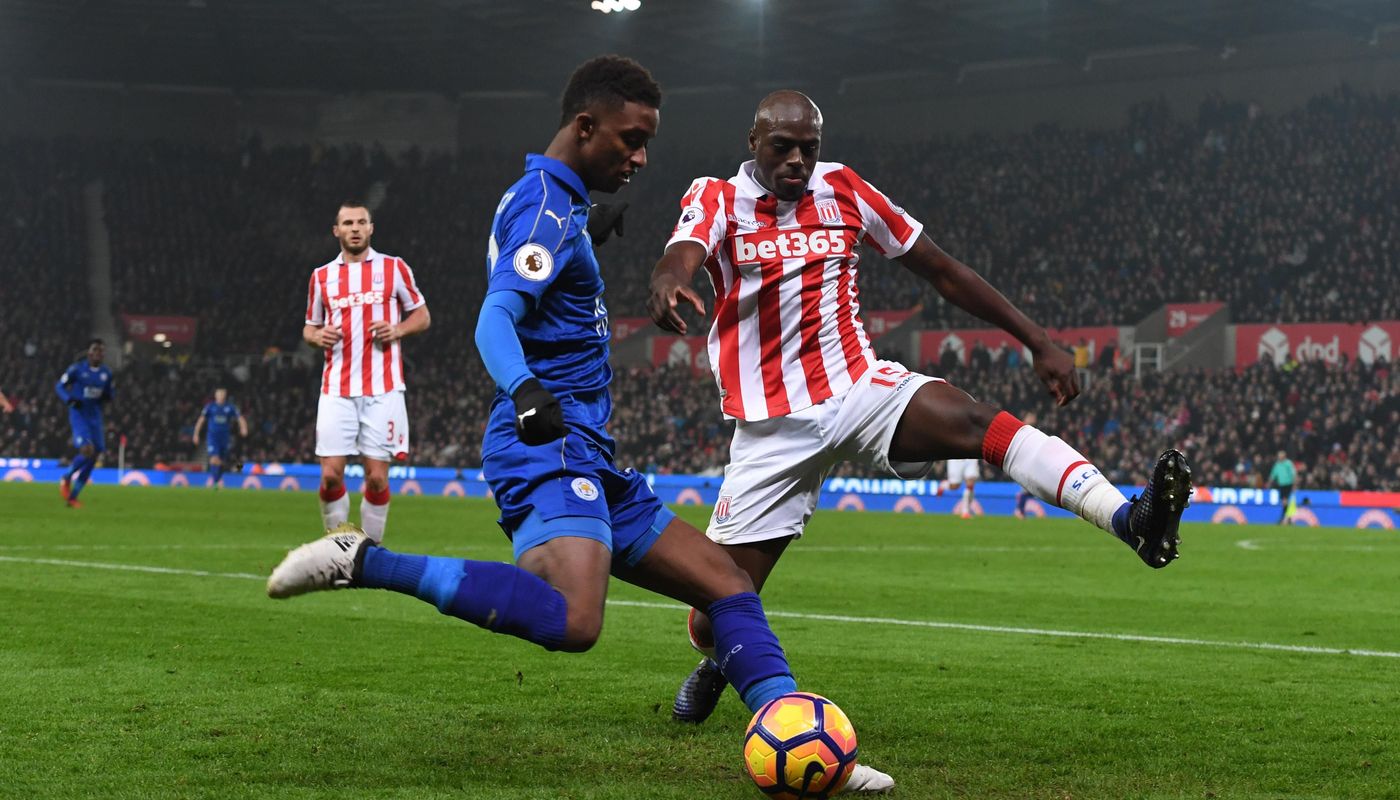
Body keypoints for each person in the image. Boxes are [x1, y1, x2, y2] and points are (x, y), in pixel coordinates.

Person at [267, 57, 892, 795]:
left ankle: (790, 729)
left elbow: (547, 256)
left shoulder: (558, 205)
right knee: (573, 620)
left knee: (726, 585)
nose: (640, 158)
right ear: (584, 126)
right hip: (545, 441)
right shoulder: (543, 207)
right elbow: (495, 316)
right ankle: (364, 561)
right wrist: (526, 386)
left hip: (590, 450)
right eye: (629, 140)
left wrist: (589, 232)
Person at [648, 91, 1192, 735]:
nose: (797, 160)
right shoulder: (715, 198)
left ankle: (1133, 521)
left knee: (983, 425)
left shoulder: (846, 189)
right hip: (772, 428)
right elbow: (684, 250)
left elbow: (942, 270)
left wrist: (1037, 339)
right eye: (782, 148)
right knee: (711, 616)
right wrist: (669, 277)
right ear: (753, 143)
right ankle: (716, 664)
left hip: (858, 389)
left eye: (808, 148)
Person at [303, 201, 431, 542]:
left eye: (362, 222)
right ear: (337, 230)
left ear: (371, 228)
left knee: (376, 478)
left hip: (384, 389)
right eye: (348, 222)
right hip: (336, 389)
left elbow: (422, 316)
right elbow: (309, 328)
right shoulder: (321, 277)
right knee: (330, 476)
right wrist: (317, 336)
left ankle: (370, 555)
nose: (355, 228)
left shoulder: (394, 268)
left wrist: (398, 330)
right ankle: (337, 551)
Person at [55, 339, 114, 508]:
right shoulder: (77, 369)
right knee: (87, 450)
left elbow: (109, 393)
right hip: (79, 415)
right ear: (89, 353)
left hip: (95, 416)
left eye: (101, 351)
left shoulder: (106, 373)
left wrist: (109, 397)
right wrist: (69, 400)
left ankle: (73, 497)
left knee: (96, 454)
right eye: (95, 350)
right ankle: (66, 477)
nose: (98, 353)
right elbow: (59, 386)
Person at [192, 388, 248, 488]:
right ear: (216, 396)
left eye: (223, 395)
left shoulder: (230, 407)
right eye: (219, 394)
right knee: (214, 459)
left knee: (222, 460)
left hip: (225, 438)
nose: (221, 396)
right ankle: (216, 482)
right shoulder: (210, 407)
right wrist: (196, 434)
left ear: (225, 396)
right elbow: (201, 420)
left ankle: (219, 478)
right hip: (213, 437)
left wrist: (243, 428)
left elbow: (240, 417)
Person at [1267, 450, 1297, 525]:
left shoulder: (1288, 463)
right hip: (1281, 485)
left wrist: (1294, 485)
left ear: (1284, 456)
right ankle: (1288, 519)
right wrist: (1269, 483)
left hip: (1288, 484)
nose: (1280, 458)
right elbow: (1273, 474)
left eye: (1281, 456)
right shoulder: (1277, 465)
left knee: (1285, 502)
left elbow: (1293, 474)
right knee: (1284, 503)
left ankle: (1282, 518)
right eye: (1279, 456)